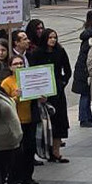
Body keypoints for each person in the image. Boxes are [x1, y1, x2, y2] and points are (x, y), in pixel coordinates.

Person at [29, 29, 72, 163]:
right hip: (42, 92)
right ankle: (42, 150)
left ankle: (56, 152)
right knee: (43, 123)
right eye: (50, 37)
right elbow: (32, 71)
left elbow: (67, 69)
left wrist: (62, 82)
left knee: (59, 122)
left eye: (55, 37)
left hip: (57, 91)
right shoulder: (36, 53)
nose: (53, 40)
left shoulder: (60, 51)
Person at [0, 55, 37, 184]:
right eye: (16, 64)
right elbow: (4, 104)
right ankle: (12, 181)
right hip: (16, 122)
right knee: (17, 154)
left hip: (29, 119)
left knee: (29, 150)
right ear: (10, 67)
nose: (19, 66)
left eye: (21, 63)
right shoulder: (7, 82)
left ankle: (26, 178)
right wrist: (15, 96)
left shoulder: (29, 78)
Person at [73, 12, 92, 128]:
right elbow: (88, 58)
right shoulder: (91, 41)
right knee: (85, 95)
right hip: (84, 71)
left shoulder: (87, 37)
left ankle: (87, 116)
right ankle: (84, 118)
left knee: (86, 94)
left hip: (82, 70)